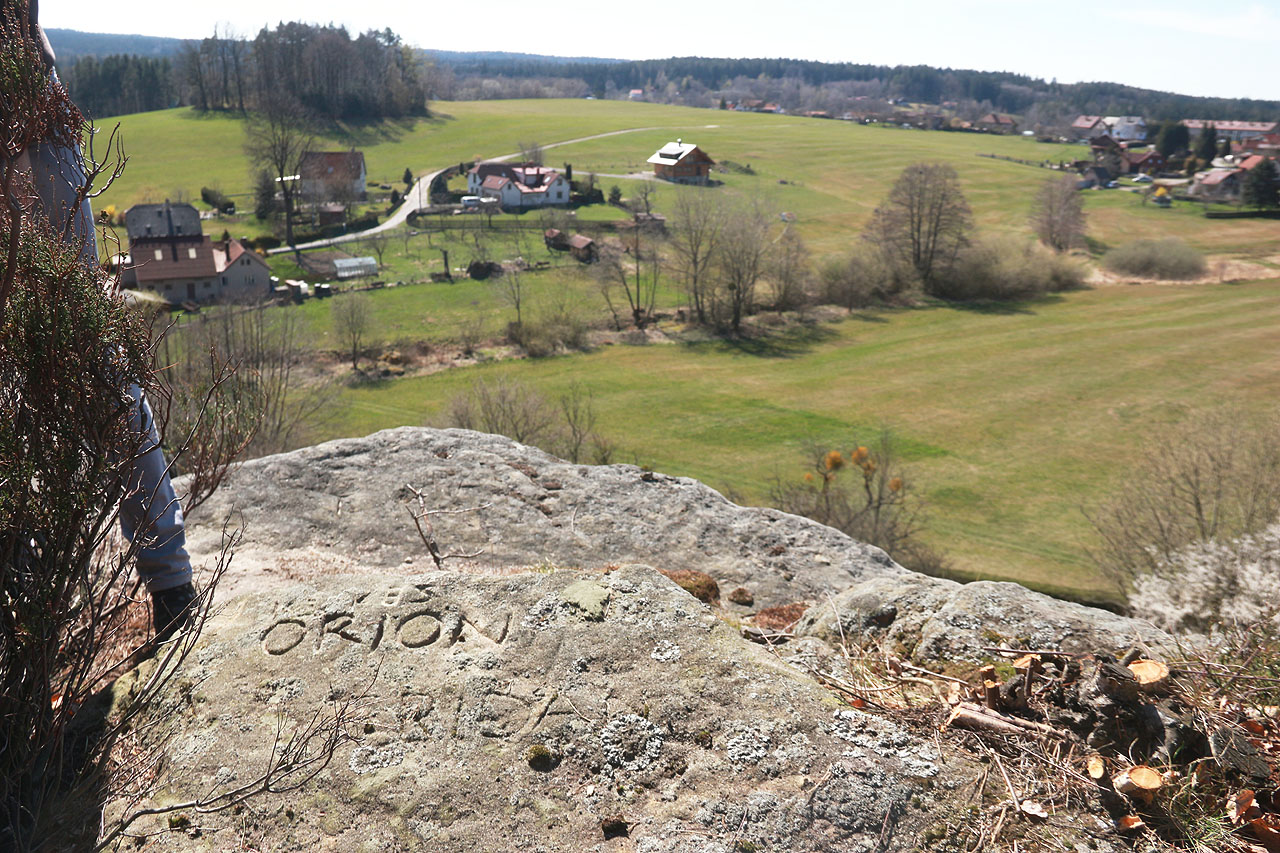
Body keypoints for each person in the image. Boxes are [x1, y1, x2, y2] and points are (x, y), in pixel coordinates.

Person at [14, 0, 198, 644]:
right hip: (34, 106)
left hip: (29, 112)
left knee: (92, 350)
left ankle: (169, 582)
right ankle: (35, 611)